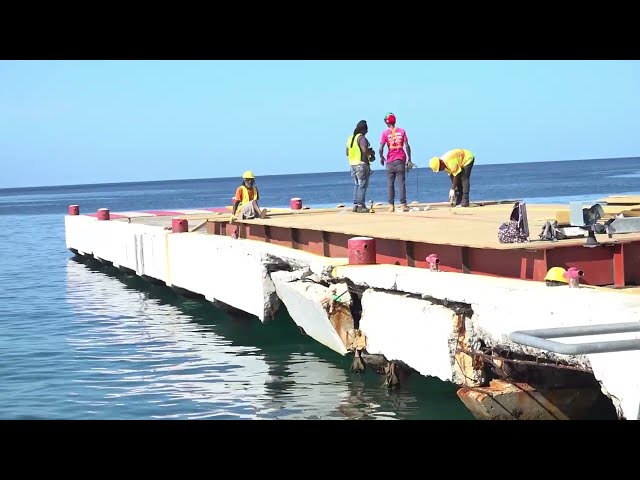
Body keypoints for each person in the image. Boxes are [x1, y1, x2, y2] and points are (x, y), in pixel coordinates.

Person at [379, 112, 412, 212]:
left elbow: (381, 148)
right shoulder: (402, 131)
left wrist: (381, 157)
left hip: (389, 161)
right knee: (401, 183)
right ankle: (403, 204)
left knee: (390, 184)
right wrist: (409, 159)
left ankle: (391, 205)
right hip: (400, 160)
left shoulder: (385, 133)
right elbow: (407, 145)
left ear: (386, 122)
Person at [345, 120, 373, 213]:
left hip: (352, 164)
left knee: (357, 185)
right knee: (362, 185)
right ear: (363, 130)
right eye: (366, 130)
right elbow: (365, 151)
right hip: (361, 164)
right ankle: (361, 205)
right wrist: (371, 153)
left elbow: (347, 152)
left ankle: (356, 205)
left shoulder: (350, 139)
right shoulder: (361, 138)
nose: (367, 132)